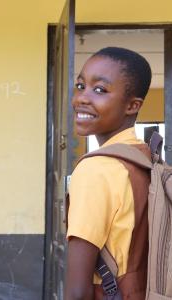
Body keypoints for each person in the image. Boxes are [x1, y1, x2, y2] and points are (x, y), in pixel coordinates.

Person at [65, 47, 152, 300]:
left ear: (132, 105)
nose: (81, 98)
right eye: (80, 86)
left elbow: (78, 292)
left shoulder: (97, 170)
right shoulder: (145, 159)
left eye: (100, 90)